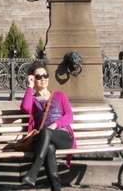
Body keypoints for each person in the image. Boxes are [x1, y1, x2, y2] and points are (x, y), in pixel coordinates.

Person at [19, 61, 75, 190]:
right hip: (44, 140)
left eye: (45, 75)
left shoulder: (59, 95)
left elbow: (69, 116)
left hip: (63, 137)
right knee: (49, 148)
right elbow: (25, 108)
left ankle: (33, 171)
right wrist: (29, 86)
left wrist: (55, 125)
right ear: (33, 79)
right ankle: (56, 188)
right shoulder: (33, 99)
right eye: (38, 77)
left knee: (46, 131)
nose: (43, 78)